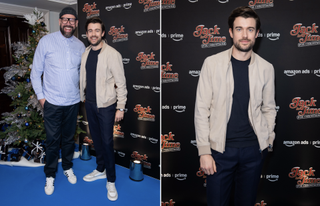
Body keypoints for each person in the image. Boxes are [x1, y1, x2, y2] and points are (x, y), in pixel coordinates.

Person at [194, 6, 276, 206]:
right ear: (231, 32)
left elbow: (269, 108)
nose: (245, 35)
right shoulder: (211, 63)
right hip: (220, 152)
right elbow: (201, 109)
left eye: (250, 29)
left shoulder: (266, 68)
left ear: (257, 33)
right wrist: (204, 151)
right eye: (239, 29)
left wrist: (268, 139)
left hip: (253, 151)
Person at [30, 7, 85, 195]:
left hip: (72, 102)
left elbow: (81, 75)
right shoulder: (46, 42)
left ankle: (68, 167)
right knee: (53, 141)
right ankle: (50, 175)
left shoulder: (80, 46)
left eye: (72, 20)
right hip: (52, 102)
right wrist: (42, 98)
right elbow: (35, 73)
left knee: (69, 139)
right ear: (60, 21)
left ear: (76, 24)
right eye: (65, 19)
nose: (68, 23)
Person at [79, 17, 127, 201]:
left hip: (106, 106)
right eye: (90, 30)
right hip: (90, 104)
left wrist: (120, 107)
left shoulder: (112, 54)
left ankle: (111, 180)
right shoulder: (86, 53)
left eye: (97, 30)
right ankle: (100, 169)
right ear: (87, 33)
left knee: (107, 143)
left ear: (103, 33)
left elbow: (121, 84)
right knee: (96, 140)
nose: (93, 34)